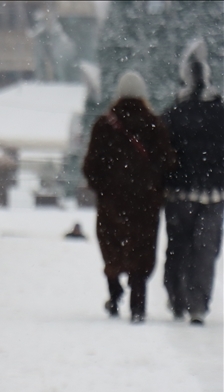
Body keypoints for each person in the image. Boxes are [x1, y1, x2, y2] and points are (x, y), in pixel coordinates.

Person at [83, 71, 174, 323]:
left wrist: (104, 188)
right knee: (142, 248)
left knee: (112, 246)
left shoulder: (104, 125)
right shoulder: (155, 125)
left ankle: (114, 292)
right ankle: (138, 301)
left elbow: (90, 167)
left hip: (112, 201)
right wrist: (155, 189)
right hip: (145, 203)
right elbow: (167, 162)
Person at [161, 39, 224, 325]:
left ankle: (178, 298)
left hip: (179, 193)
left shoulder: (174, 114)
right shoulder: (220, 113)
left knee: (178, 247)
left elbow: (163, 153)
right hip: (213, 194)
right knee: (205, 251)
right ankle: (198, 303)